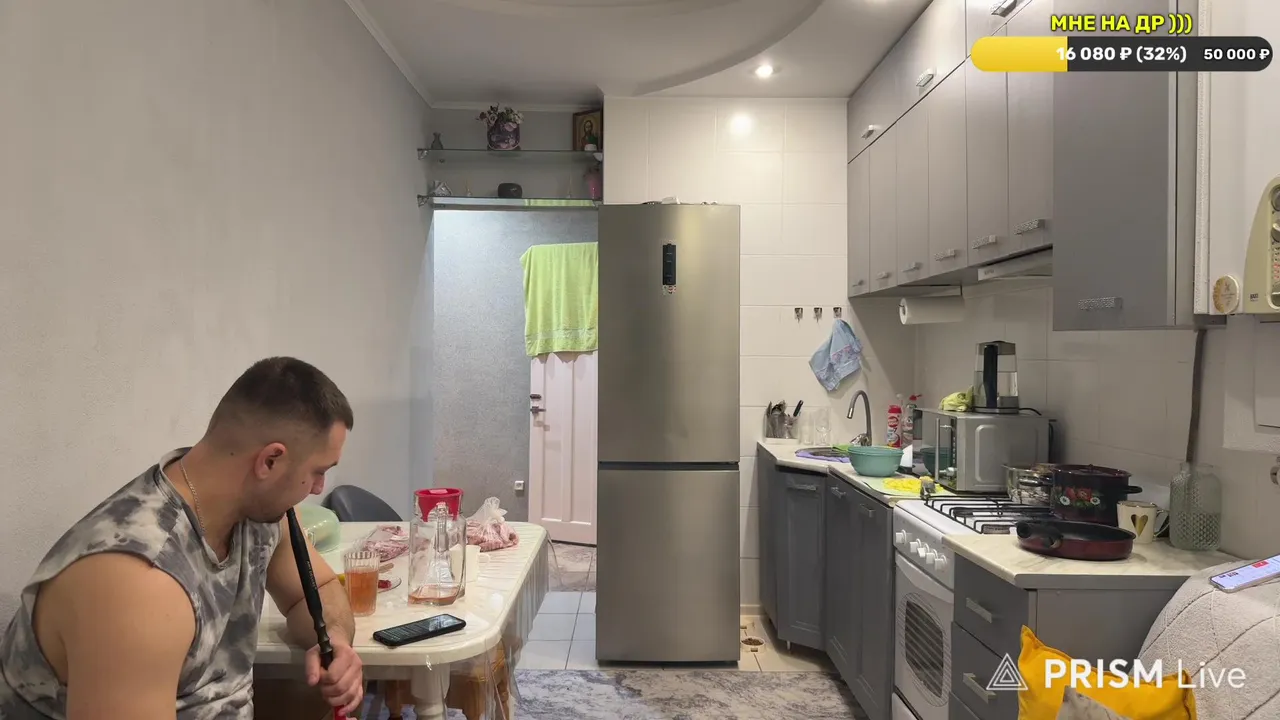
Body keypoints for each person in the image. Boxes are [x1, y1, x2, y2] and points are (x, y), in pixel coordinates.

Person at [0, 357, 365, 719]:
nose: (318, 488)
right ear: (270, 461)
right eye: (318, 471)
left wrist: (333, 638)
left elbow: (315, 590)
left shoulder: (261, 514)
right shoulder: (138, 580)